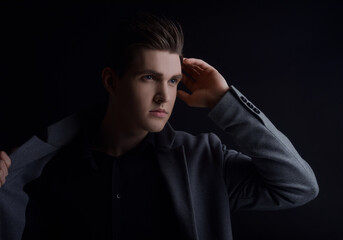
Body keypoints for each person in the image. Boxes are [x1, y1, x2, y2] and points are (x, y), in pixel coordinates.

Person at [0, 14, 319, 240]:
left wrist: (225, 102)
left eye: (173, 80)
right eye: (149, 77)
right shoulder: (43, 166)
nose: (164, 96)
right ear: (112, 81)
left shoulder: (202, 161)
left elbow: (298, 186)